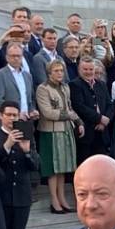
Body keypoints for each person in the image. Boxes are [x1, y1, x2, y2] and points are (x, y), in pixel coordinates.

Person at [35, 58, 76, 213]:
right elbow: (47, 112)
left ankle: (62, 198)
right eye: (56, 71)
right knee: (53, 167)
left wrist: (78, 121)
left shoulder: (65, 87)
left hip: (66, 129)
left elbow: (70, 107)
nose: (60, 73)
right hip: (50, 131)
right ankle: (54, 200)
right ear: (49, 73)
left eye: (61, 70)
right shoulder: (43, 88)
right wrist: (69, 115)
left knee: (63, 166)